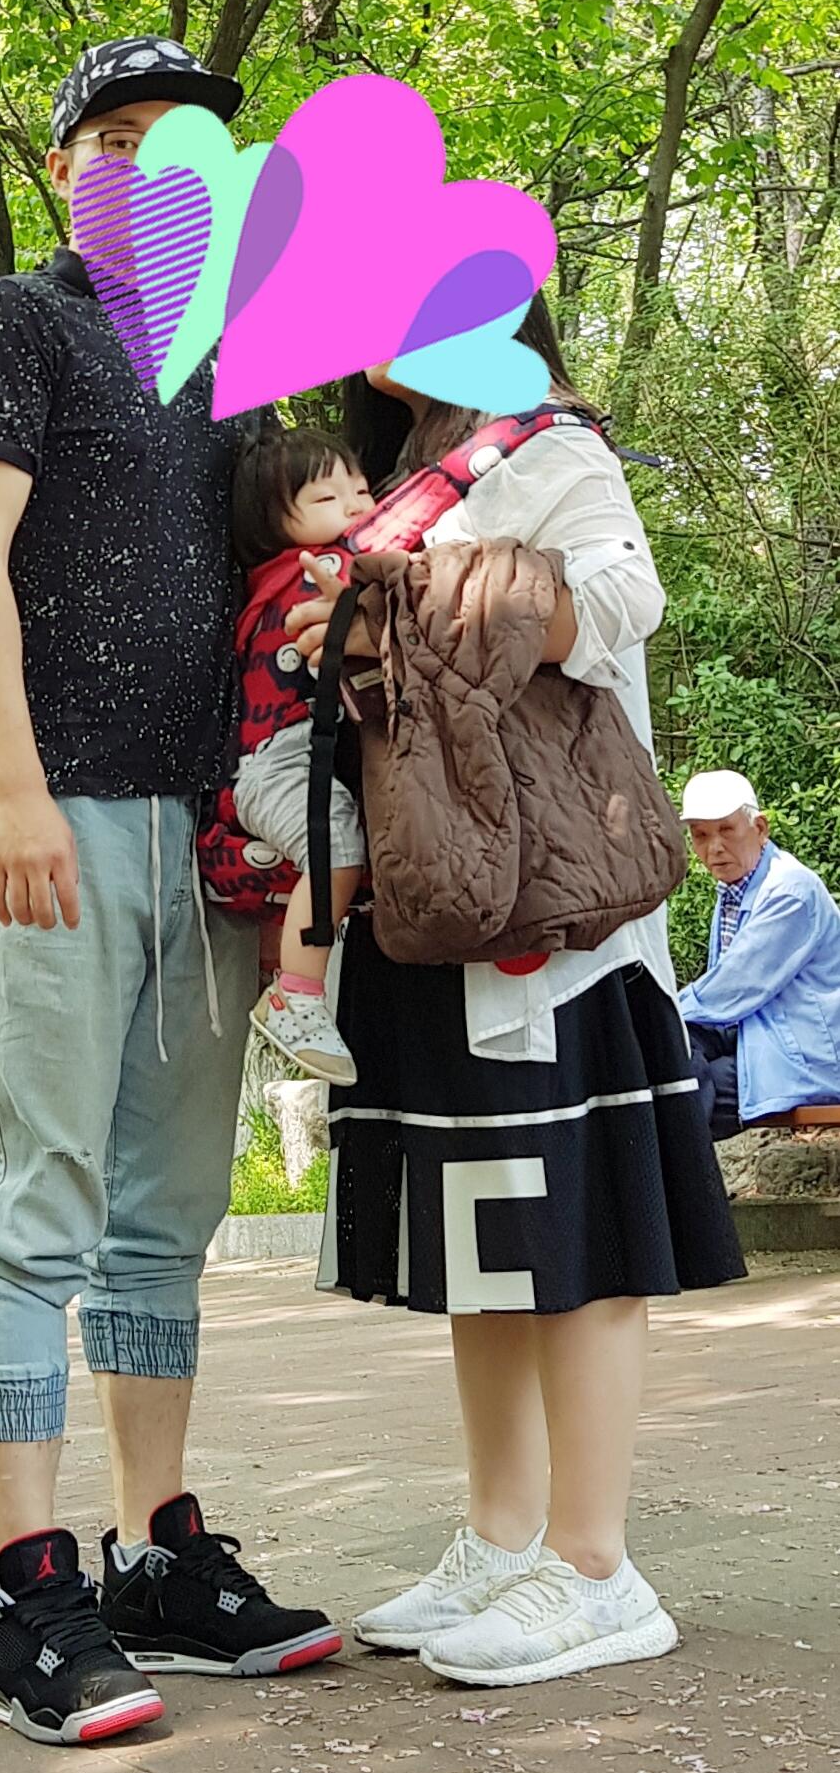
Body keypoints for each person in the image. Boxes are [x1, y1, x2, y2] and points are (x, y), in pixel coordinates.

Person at [0, 34, 341, 1749]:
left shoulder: (235, 370)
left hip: (211, 837)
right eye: (116, 137)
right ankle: (26, 1585)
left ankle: (155, 1551)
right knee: (34, 1206)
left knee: (166, 1216)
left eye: (185, 149)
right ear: (62, 166)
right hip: (57, 813)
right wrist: (9, 788)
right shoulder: (15, 326)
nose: (150, 168)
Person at [287, 302, 745, 1690]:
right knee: (486, 1235)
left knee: (578, 1225)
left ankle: (596, 1565)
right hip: (445, 899)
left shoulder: (547, 446)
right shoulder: (403, 472)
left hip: (555, 913)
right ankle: (501, 1535)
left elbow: (618, 600)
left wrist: (403, 601)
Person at [223, 426, 368, 1082]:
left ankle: (282, 977)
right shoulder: (321, 569)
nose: (356, 505)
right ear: (274, 523)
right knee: (335, 844)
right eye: (329, 497)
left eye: (360, 489)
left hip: (282, 761)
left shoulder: (268, 583)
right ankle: (297, 997)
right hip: (279, 763)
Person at [678, 771, 840, 1135]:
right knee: (668, 1049)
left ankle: (683, 1166)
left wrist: (661, 1012)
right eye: (701, 835)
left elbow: (733, 989)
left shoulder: (789, 891)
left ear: (760, 828)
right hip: (756, 1035)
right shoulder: (737, 887)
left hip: (801, 1057)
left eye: (726, 830)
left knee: (676, 1079)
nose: (714, 847)